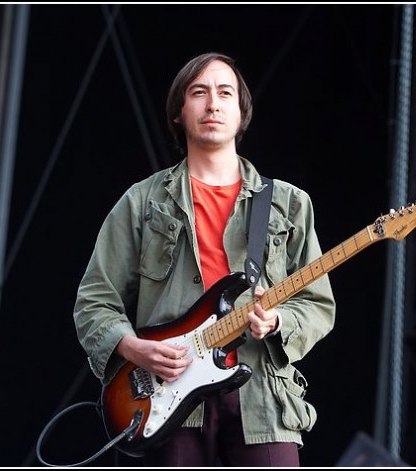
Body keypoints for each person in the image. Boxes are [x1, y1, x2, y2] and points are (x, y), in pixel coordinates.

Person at [73, 52, 336, 467]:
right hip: (168, 399)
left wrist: (279, 321)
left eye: (225, 93)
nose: (213, 103)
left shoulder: (289, 203)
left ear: (241, 112)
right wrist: (133, 348)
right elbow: (94, 301)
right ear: (179, 111)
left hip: (264, 399)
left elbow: (317, 304)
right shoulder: (143, 201)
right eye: (199, 92)